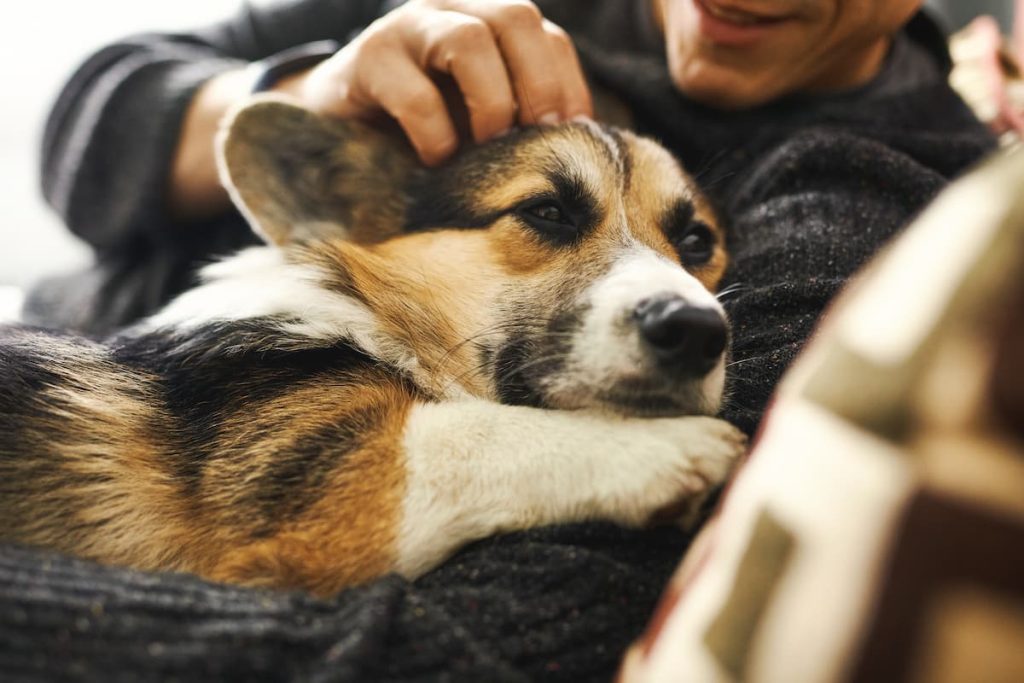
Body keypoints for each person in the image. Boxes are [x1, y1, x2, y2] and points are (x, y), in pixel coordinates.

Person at [9, 1, 996, 680]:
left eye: (692, 242)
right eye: (551, 216)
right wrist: (314, 90)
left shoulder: (864, 197)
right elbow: (82, 126)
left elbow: (476, 639)